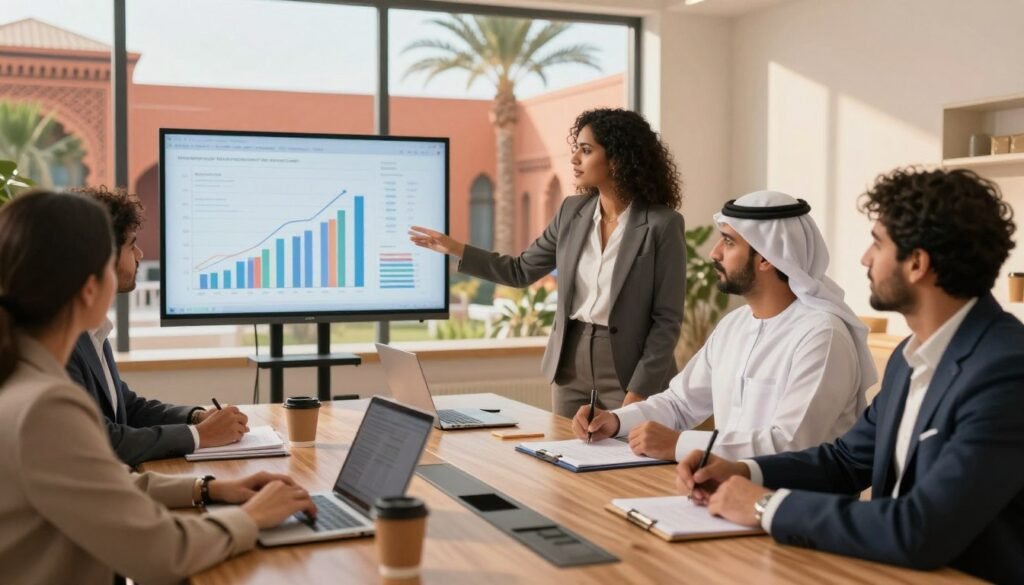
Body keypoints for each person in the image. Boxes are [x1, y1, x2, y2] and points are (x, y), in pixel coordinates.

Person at [677, 168, 1024, 583]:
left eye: (877, 244)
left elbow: (921, 528)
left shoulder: (1006, 371)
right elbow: (845, 461)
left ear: (917, 264)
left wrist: (765, 506)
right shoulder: (908, 358)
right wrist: (742, 471)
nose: (864, 258)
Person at [0, 190, 316, 585]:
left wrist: (211, 489)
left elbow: (105, 485)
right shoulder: (45, 406)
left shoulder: (24, 376)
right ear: (90, 286)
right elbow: (164, 554)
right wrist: (254, 516)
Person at [410, 108, 686, 418]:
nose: (574, 159)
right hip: (570, 365)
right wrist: (456, 248)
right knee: (564, 458)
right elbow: (519, 270)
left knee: (630, 462)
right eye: (576, 149)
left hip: (630, 369)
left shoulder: (662, 225)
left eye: (586, 150)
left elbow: (667, 319)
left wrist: (640, 390)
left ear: (618, 158)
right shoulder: (572, 212)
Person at [573, 190, 877, 461]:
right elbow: (680, 403)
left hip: (796, 510)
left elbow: (790, 444)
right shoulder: (734, 325)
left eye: (729, 242)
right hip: (724, 492)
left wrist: (682, 444)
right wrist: (615, 421)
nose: (714, 252)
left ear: (767, 259)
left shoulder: (821, 335)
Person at [65, 185, 248, 466]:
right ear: (103, 257)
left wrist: (196, 417)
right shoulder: (62, 342)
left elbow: (126, 407)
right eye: (131, 245)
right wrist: (198, 435)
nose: (139, 255)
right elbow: (105, 440)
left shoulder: (92, 330)